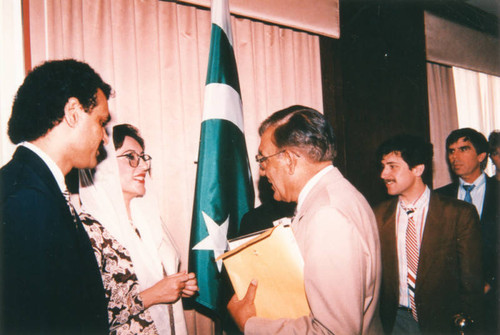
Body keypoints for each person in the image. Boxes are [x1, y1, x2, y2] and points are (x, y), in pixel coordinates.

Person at [227, 105, 382, 334]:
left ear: (289, 159)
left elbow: (332, 331)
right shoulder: (339, 196)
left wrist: (250, 324)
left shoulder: (328, 215)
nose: (262, 171)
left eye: (263, 160)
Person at [0, 59, 111, 333]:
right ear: (72, 112)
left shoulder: (36, 186)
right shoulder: (26, 199)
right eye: (100, 122)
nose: (105, 138)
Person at [79, 124, 198, 334]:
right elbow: (84, 314)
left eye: (143, 157)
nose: (143, 166)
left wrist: (180, 286)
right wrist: (154, 294)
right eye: (130, 157)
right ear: (103, 163)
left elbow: (162, 280)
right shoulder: (87, 230)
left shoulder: (148, 218)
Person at [374, 134, 483, 334]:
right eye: (383, 166)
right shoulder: (377, 215)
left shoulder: (458, 214)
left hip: (443, 324)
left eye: (392, 166)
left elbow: (472, 282)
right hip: (394, 323)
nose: (383, 174)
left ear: (418, 169)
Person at [435, 128, 499, 333]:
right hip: (451, 301)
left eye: (463, 149)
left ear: (481, 156)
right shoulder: (439, 198)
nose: (455, 156)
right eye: (451, 150)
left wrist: (491, 283)